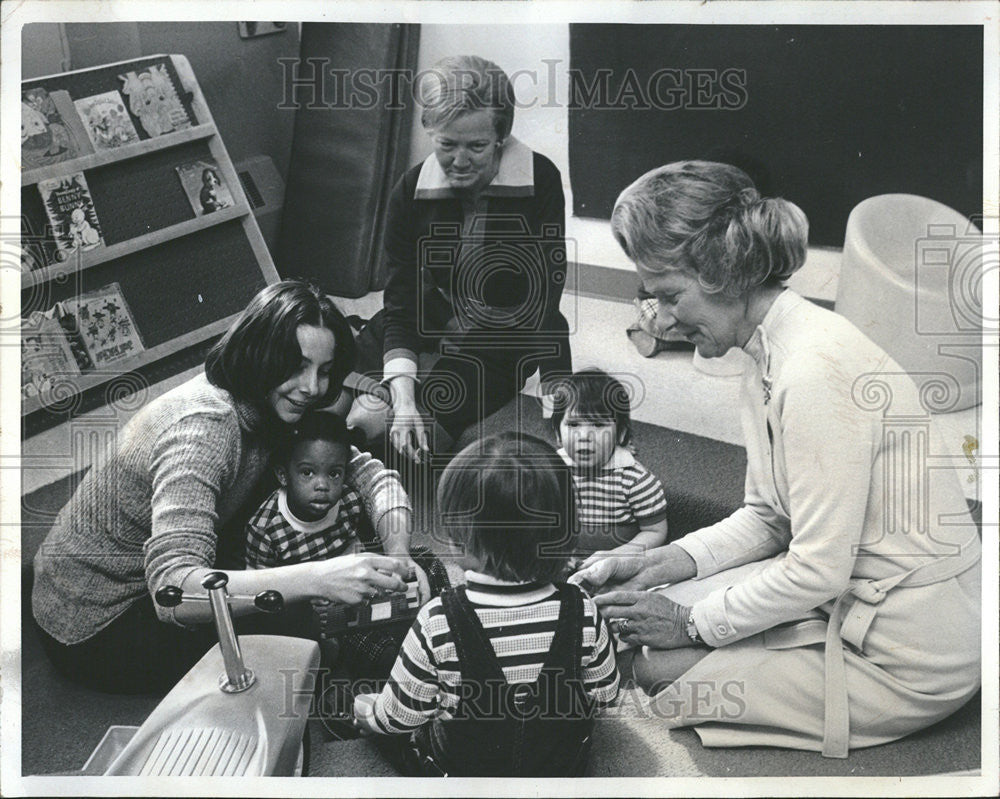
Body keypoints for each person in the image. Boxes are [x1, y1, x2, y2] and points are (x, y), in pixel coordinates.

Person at [572, 161, 981, 757]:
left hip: (910, 654)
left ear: (723, 273)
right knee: (655, 632)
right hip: (857, 597)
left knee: (655, 671)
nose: (659, 320)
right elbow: (768, 517)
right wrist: (658, 563)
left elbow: (815, 569)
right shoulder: (768, 347)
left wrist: (690, 624)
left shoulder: (813, 370)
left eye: (668, 295)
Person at [31, 280, 422, 694]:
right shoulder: (205, 429)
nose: (312, 387)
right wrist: (320, 578)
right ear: (258, 354)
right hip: (98, 620)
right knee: (302, 629)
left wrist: (399, 553)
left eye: (323, 372)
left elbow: (366, 472)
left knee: (320, 517)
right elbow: (174, 592)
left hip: (134, 573)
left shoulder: (276, 399)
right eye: (296, 365)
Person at [353, 433, 620, 777]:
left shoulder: (437, 621)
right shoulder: (582, 609)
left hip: (462, 776)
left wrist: (370, 713)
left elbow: (399, 718)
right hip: (560, 769)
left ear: (458, 543)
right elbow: (606, 694)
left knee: (384, 721)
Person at [349, 55, 572, 463]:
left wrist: (558, 388)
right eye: (447, 145)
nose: (460, 161)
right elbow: (401, 302)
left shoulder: (541, 182)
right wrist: (402, 395)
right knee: (334, 399)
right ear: (430, 132)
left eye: (477, 146)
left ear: (502, 137)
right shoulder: (409, 189)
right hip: (432, 315)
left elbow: (544, 301)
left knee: (415, 443)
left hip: (500, 336)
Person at [550, 368, 668, 567]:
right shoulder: (552, 471)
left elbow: (656, 532)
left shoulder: (635, 480)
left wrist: (617, 557)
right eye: (573, 424)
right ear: (557, 434)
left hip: (618, 566)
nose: (584, 436)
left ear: (621, 434)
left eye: (597, 425)